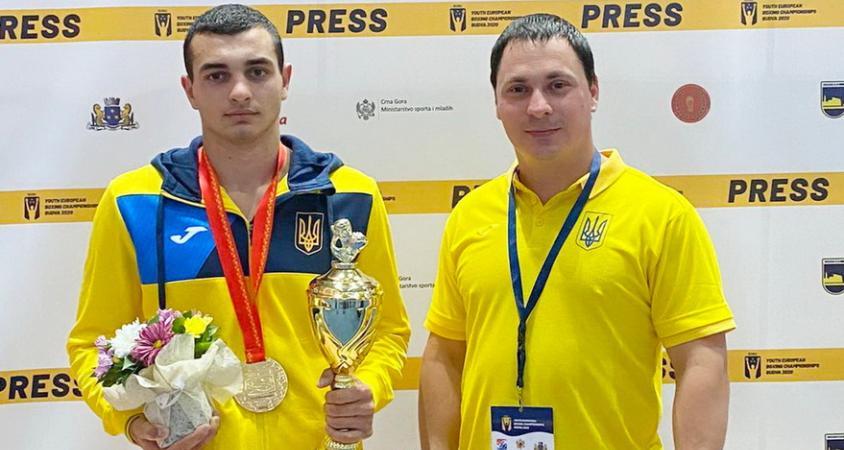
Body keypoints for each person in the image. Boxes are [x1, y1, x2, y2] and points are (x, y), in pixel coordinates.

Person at [66, 4, 410, 449]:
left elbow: (388, 330)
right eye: (217, 75)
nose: (240, 91)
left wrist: (368, 387)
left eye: (257, 71)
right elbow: (92, 343)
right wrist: (131, 420)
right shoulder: (134, 202)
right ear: (190, 90)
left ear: (285, 80)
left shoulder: (349, 195)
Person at [419, 13, 734, 450]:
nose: (538, 106)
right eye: (517, 89)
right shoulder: (470, 215)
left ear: (593, 92)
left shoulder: (661, 214)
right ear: (496, 103)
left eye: (557, 85)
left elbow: (700, 359)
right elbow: (446, 355)